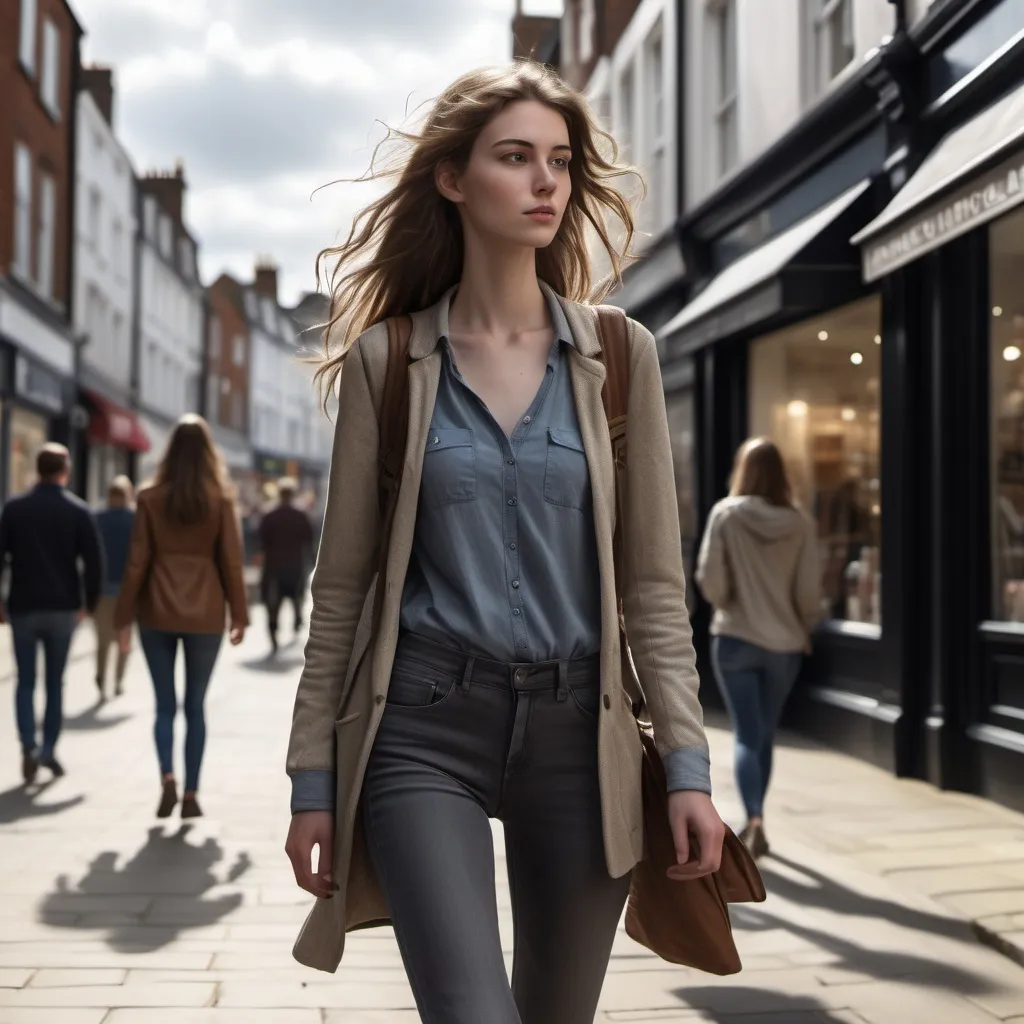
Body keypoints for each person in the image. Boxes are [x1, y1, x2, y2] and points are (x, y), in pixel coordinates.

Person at [283, 62, 725, 1024]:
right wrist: (312, 780)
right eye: (516, 157)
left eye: (561, 162)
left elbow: (654, 589)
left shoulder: (620, 357)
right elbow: (342, 593)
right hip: (423, 729)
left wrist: (687, 767)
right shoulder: (389, 362)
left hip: (582, 734)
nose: (546, 184)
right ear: (453, 178)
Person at [114, 415, 249, 820]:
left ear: (170, 452)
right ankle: (191, 794)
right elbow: (231, 562)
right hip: (206, 612)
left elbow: (137, 563)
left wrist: (121, 618)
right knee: (195, 707)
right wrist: (239, 614)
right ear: (209, 453)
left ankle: (168, 778)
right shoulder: (220, 500)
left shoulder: (150, 497)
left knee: (164, 706)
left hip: (155, 610)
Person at [695, 437, 822, 859]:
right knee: (764, 733)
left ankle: (753, 820)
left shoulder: (725, 515)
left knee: (747, 734)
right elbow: (808, 592)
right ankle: (758, 817)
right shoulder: (799, 521)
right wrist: (803, 626)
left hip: (735, 639)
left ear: (741, 471)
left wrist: (734, 599)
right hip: (784, 644)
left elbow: (710, 581)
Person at [0, 443, 103, 782]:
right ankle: (48, 750)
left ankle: (28, 744)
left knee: (25, 681)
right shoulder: (77, 511)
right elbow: (94, 562)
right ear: (65, 471)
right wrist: (88, 604)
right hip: (62, 609)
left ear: (37, 469)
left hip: (23, 606)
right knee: (56, 683)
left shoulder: (15, 509)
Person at [258, 476, 314, 653]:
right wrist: (312, 564)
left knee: (273, 604)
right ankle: (297, 623)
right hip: (295, 565)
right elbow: (309, 540)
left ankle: (274, 634)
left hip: (273, 567)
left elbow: (261, 541)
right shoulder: (300, 515)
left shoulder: (269, 515)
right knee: (296, 598)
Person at [93, 475, 136, 699]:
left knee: (102, 640)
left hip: (102, 588)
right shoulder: (135, 519)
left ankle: (101, 679)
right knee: (124, 639)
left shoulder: (97, 518)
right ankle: (118, 680)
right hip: (128, 590)